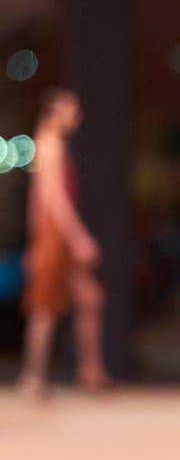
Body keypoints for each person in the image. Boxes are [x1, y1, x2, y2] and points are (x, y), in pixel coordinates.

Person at [17, 87, 111, 398]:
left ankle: (90, 369)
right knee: (44, 306)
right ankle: (32, 376)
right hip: (55, 233)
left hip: (53, 233)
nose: (76, 116)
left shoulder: (49, 143)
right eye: (70, 109)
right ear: (54, 111)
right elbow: (52, 200)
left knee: (89, 297)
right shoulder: (50, 145)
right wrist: (77, 237)